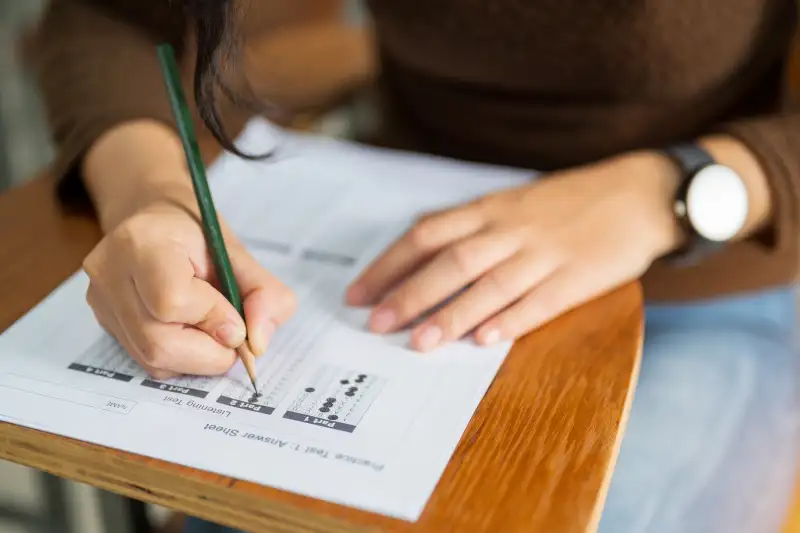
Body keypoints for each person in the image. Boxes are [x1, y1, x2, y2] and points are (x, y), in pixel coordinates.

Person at [30, 0, 800, 531]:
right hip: (400, 261)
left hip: (709, 279)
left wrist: (671, 191)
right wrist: (152, 194)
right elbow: (111, 18)